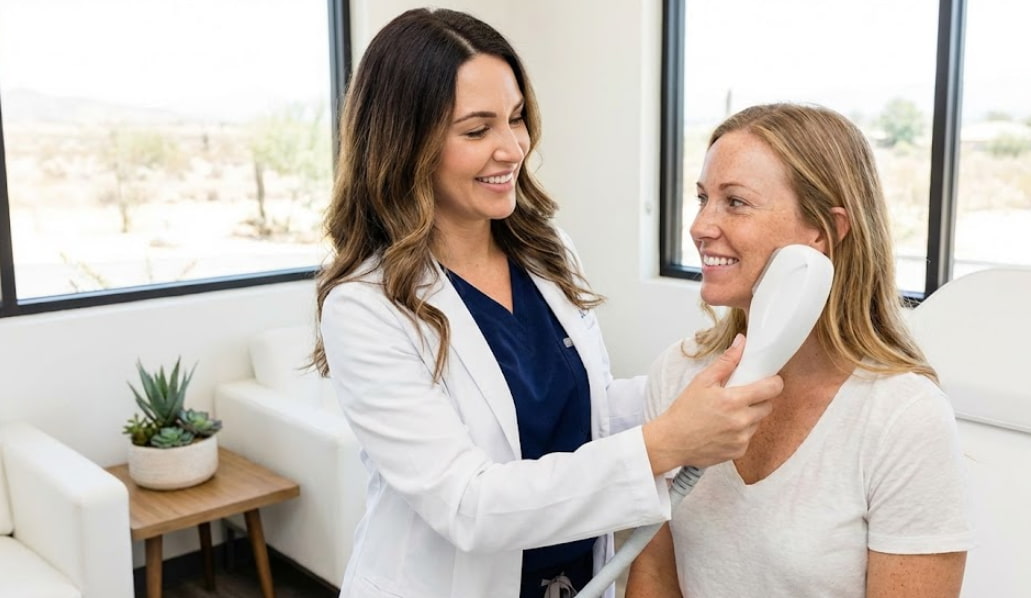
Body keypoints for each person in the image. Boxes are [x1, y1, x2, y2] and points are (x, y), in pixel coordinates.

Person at [312, 8, 783, 598]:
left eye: (515, 119)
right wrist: (666, 442)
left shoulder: (545, 249)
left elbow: (584, 409)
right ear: (405, 143)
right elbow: (467, 504)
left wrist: (693, 382)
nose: (512, 148)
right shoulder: (364, 304)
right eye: (477, 130)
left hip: (579, 578)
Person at [625, 103, 974, 598]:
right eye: (702, 198)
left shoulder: (902, 417)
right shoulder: (679, 373)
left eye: (736, 202)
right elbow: (654, 577)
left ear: (825, 231)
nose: (701, 226)